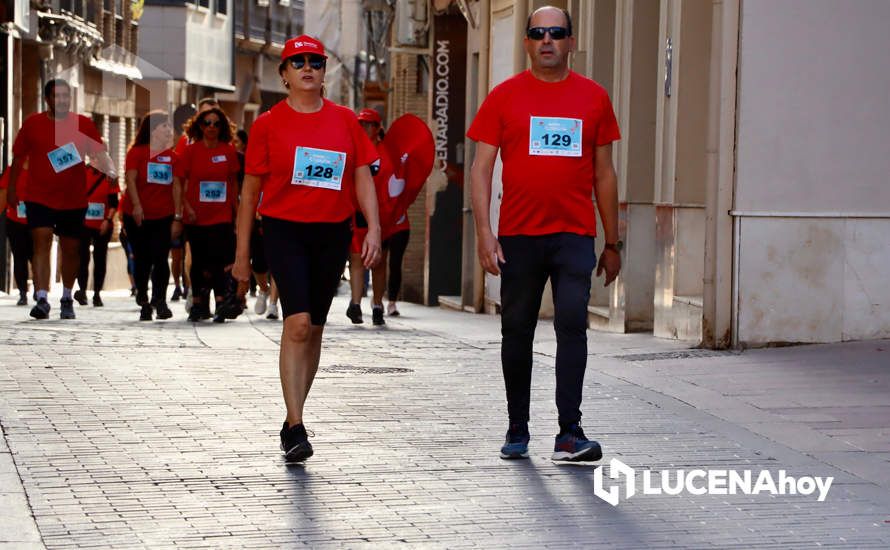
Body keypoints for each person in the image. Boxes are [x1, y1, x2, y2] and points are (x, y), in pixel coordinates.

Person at [467, 6, 622, 462]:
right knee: (517, 330)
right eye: (538, 33)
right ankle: (518, 427)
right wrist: (484, 233)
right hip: (518, 234)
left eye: (557, 33)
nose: (547, 40)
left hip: (574, 234)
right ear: (527, 43)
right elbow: (481, 169)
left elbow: (606, 174)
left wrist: (611, 242)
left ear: (571, 42)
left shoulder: (594, 97)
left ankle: (569, 432)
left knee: (573, 324)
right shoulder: (504, 97)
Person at [233, 35, 382, 463]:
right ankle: (295, 424)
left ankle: (293, 417)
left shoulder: (345, 121)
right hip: (284, 230)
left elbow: (361, 176)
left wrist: (372, 228)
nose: (307, 68)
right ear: (283, 75)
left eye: (315, 61)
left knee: (314, 327)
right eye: (296, 62)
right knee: (296, 324)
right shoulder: (267, 124)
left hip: (332, 232)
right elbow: (249, 192)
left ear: (323, 72)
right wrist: (243, 255)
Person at [7, 78, 117, 320]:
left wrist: (110, 169)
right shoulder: (33, 124)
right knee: (41, 241)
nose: (63, 100)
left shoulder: (83, 124)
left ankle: (67, 296)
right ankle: (43, 298)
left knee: (70, 249)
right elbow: (17, 157)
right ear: (47, 99)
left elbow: (99, 152)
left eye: (66, 96)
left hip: (73, 199)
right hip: (39, 196)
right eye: (57, 96)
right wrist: (13, 189)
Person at [177, 107, 241, 322]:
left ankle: (221, 300)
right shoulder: (190, 151)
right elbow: (179, 183)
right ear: (200, 126)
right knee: (198, 260)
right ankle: (197, 302)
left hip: (221, 215)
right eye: (207, 123)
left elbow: (233, 185)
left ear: (222, 127)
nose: (211, 127)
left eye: (216, 123)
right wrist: (186, 208)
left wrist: (237, 214)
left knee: (219, 259)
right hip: (196, 216)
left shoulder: (228, 151)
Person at [121, 110, 182, 321]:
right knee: (142, 258)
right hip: (137, 215)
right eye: (164, 126)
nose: (169, 130)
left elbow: (176, 186)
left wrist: (177, 216)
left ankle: (160, 300)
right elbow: (130, 179)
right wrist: (137, 206)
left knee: (160, 258)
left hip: (163, 216)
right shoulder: (137, 153)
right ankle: (144, 299)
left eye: (169, 126)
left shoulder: (173, 157)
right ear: (153, 130)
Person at [346, 108, 392, 326]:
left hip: (381, 214)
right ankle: (355, 304)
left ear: (377, 128)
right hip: (356, 212)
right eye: (361, 124)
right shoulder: (353, 150)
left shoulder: (386, 153)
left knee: (378, 262)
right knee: (356, 258)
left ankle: (377, 304)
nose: (363, 128)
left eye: (368, 125)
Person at [74, 164, 119, 307]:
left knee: (100, 258)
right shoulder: (81, 172)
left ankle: (97, 293)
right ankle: (82, 290)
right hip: (83, 223)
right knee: (82, 257)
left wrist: (108, 220)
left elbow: (114, 202)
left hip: (103, 224)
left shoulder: (110, 175)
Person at [169, 103, 196, 302]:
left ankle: (190, 287)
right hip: (180, 208)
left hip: (201, 209)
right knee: (177, 254)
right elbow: (177, 179)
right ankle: (179, 285)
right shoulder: (183, 144)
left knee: (190, 252)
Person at [0, 165, 34, 305]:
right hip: (15, 221)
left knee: (36, 256)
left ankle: (40, 291)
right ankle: (22, 292)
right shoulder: (12, 170)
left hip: (37, 221)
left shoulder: (41, 168)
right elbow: (3, 193)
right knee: (19, 257)